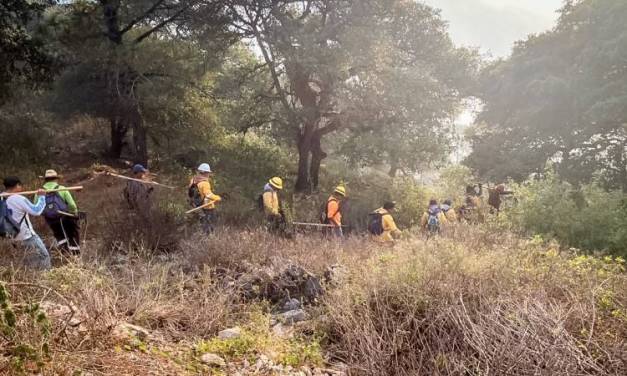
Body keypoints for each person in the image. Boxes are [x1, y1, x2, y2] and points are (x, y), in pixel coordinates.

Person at [3, 176, 50, 269]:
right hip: (27, 236)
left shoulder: (1, 198)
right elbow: (36, 211)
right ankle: (46, 278)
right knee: (44, 256)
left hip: (11, 238)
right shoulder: (18, 198)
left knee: (27, 262)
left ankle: (31, 279)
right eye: (20, 186)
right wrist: (42, 197)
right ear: (17, 185)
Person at [37, 169, 81, 254]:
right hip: (65, 217)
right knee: (72, 235)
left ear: (45, 179)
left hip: (50, 219)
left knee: (59, 235)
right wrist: (74, 213)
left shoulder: (39, 192)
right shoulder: (62, 189)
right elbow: (72, 205)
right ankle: (75, 256)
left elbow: (37, 207)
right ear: (56, 179)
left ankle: (64, 254)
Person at [189, 163, 222, 233]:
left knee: (200, 224)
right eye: (208, 173)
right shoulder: (204, 183)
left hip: (195, 205)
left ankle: (199, 236)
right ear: (205, 173)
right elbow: (208, 195)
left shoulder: (193, 180)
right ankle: (207, 239)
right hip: (206, 207)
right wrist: (217, 197)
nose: (209, 174)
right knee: (208, 227)